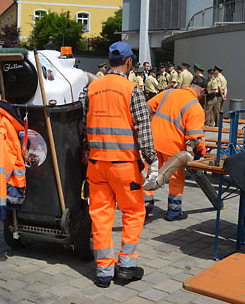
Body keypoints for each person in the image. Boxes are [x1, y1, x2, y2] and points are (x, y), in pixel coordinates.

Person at [84, 41, 157, 288]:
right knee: (133, 212)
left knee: (100, 216)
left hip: (96, 164)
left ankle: (104, 271)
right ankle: (126, 267)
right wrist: (152, 160)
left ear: (109, 61)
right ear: (129, 62)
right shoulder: (132, 89)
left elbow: (85, 124)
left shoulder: (92, 88)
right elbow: (143, 127)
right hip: (124, 165)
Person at [147, 74, 209, 220]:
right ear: (202, 90)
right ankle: (174, 211)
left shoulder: (168, 92)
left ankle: (143, 208)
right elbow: (195, 136)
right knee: (176, 178)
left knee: (150, 173)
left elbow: (147, 108)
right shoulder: (195, 107)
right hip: (173, 147)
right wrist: (201, 149)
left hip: (152, 141)